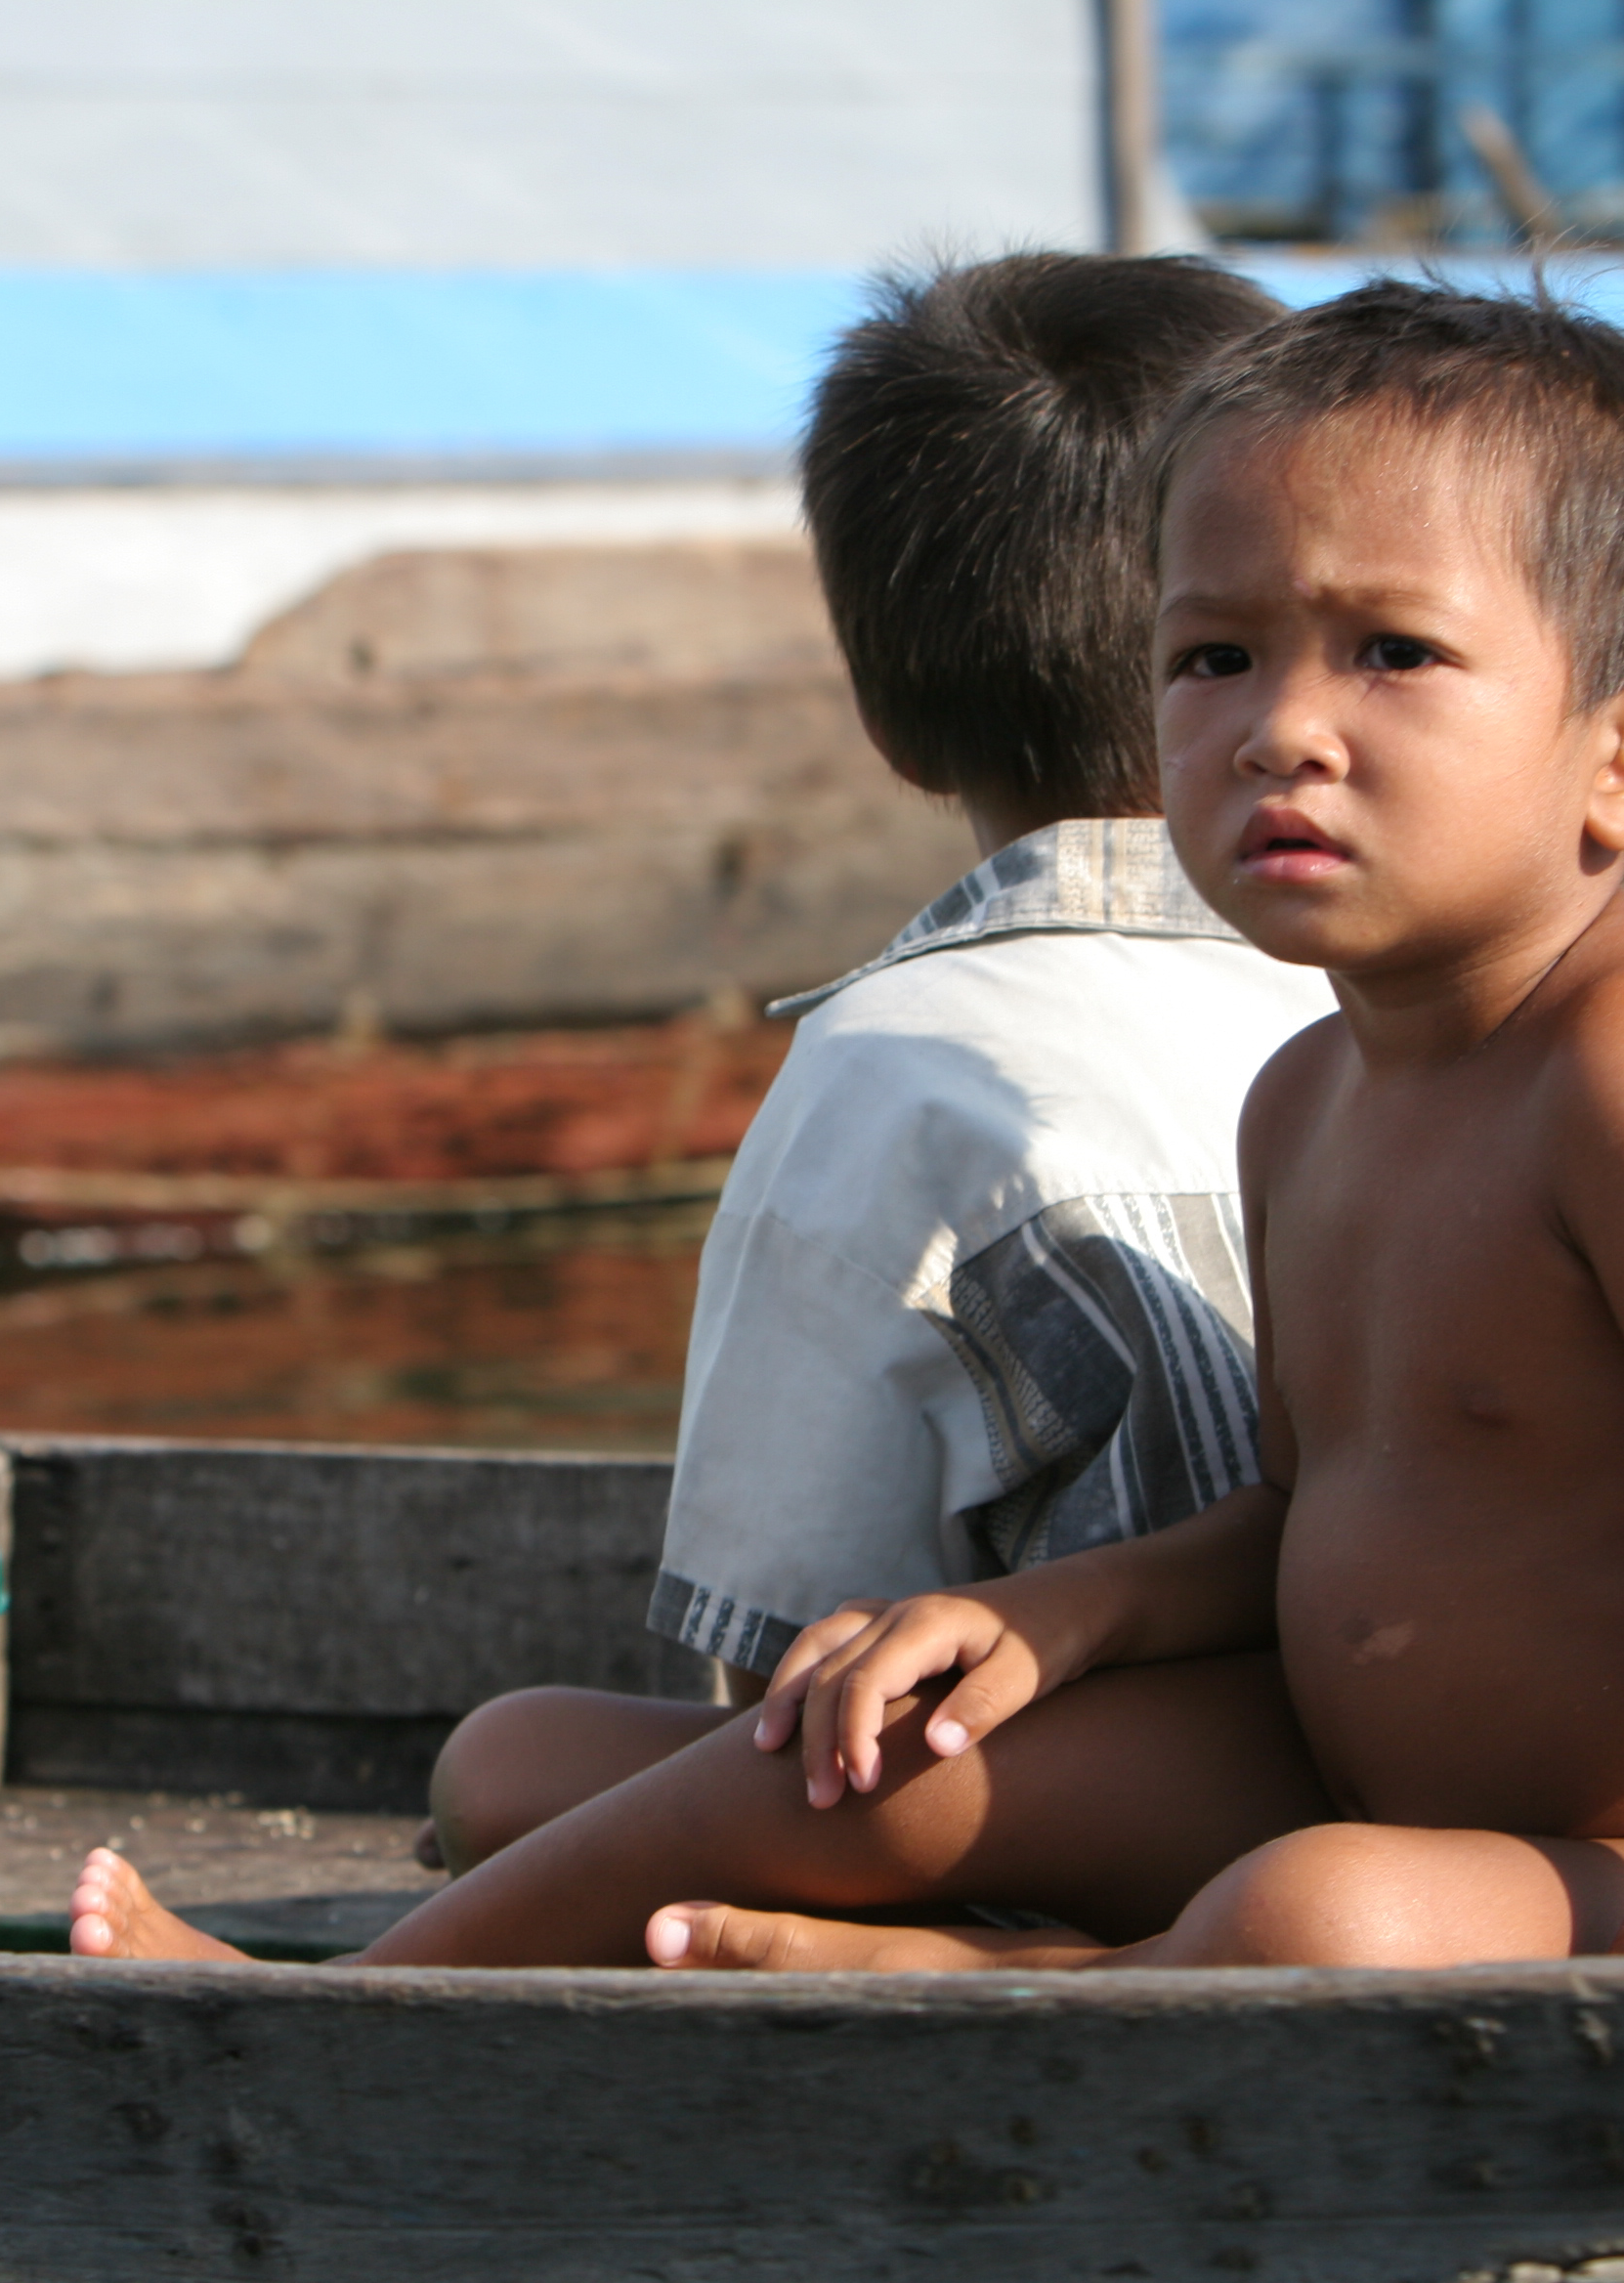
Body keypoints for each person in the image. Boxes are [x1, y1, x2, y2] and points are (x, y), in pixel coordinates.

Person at [66, 280, 1624, 1973]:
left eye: (1390, 652)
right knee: (736, 1768)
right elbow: (1306, 1506)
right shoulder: (1310, 1088)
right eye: (1214, 656)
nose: (1282, 729)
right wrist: (1059, 1620)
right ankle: (370, 2012)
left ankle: (997, 1988)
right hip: (1315, 1762)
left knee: (1316, 1918)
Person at [409, 249, 1329, 1877]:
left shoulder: (892, 1063)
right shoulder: (1405, 987)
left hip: (1126, 1832)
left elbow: (786, 1689)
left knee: (507, 1764)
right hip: (1432, 1772)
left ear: (894, 726)